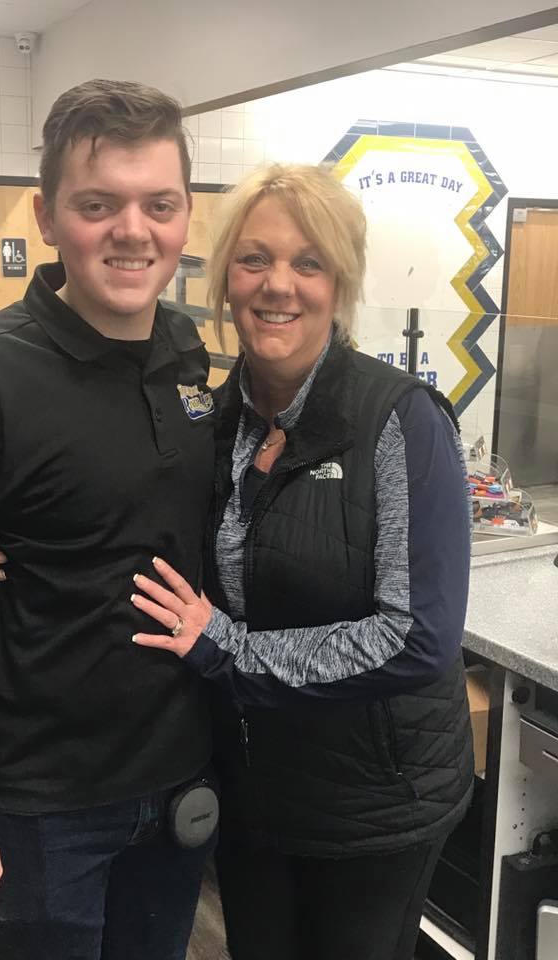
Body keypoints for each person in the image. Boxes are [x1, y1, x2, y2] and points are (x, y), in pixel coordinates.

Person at [0, 79, 218, 960]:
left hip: (177, 783)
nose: (133, 230)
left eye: (159, 204)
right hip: (38, 806)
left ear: (185, 217)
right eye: (98, 205)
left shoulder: (187, 354)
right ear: (47, 216)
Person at [126, 164, 474, 960]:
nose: (277, 285)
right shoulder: (215, 421)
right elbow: (142, 530)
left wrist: (231, 652)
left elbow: (416, 636)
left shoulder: (398, 419)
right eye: (254, 259)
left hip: (375, 808)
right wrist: (4, 551)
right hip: (257, 796)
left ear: (339, 282)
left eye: (307, 262)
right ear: (225, 278)